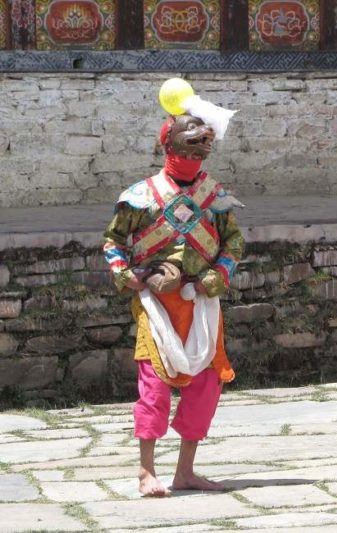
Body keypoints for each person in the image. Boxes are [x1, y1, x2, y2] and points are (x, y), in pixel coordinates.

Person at [103, 79, 244, 496]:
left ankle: (185, 471)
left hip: (202, 303)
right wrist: (130, 276)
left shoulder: (214, 197)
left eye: (204, 143)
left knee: (204, 386)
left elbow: (232, 244)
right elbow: (114, 243)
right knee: (154, 385)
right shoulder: (140, 197)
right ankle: (146, 471)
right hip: (157, 306)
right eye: (191, 143)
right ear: (169, 146)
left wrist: (214, 278)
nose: (200, 148)